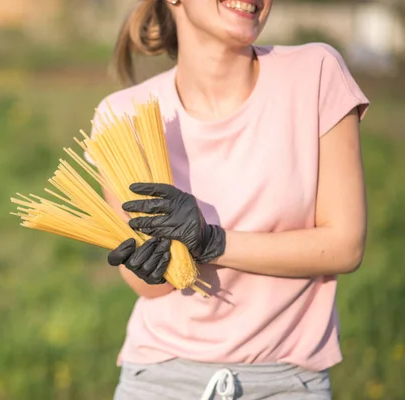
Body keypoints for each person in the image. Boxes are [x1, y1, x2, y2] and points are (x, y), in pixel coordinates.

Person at [86, 0, 370, 399]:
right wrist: (148, 266)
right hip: (158, 378)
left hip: (286, 383)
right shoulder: (121, 116)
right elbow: (148, 289)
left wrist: (211, 241)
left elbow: (345, 246)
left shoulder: (316, 74)